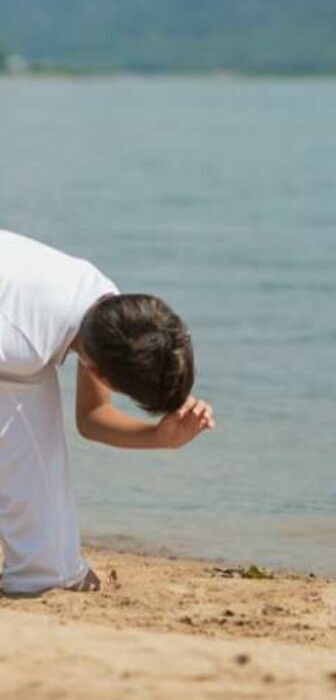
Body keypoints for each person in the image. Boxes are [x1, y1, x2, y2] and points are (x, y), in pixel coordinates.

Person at [0, 228, 213, 594]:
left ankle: (49, 569)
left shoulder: (102, 304)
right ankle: (47, 571)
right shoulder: (22, 343)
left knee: (29, 386)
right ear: (100, 372)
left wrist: (159, 438)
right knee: (27, 387)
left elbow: (91, 418)